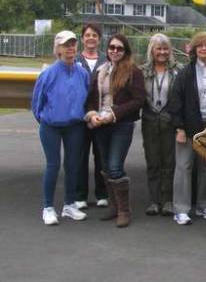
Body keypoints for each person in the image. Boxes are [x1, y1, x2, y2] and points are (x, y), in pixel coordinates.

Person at [85, 33, 145, 228]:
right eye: (112, 47)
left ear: (125, 51)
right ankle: (113, 206)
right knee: (104, 166)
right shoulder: (101, 70)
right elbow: (92, 99)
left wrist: (114, 113)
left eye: (119, 48)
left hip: (121, 124)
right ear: (107, 49)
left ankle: (124, 211)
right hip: (101, 125)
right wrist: (92, 114)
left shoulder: (133, 72)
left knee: (115, 166)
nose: (115, 51)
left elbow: (138, 101)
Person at [32, 30, 90, 225]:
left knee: (73, 166)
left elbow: (87, 99)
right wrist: (47, 119)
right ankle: (48, 207)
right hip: (51, 127)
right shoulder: (48, 73)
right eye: (66, 45)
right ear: (58, 49)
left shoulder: (82, 73)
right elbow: (37, 104)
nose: (70, 48)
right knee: (53, 165)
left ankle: (69, 205)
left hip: (75, 126)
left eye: (73, 44)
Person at [168, 32, 206, 225]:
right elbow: (175, 100)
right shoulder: (186, 72)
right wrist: (179, 128)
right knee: (184, 166)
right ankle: (181, 209)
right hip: (188, 126)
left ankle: (204, 205)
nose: (204, 49)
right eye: (200, 46)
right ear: (195, 50)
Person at [140, 33, 183, 217]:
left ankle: (167, 200)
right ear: (152, 50)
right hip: (149, 120)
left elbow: (182, 97)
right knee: (152, 161)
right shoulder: (142, 71)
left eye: (166, 48)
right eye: (159, 48)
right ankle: (153, 200)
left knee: (169, 161)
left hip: (169, 121)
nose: (162, 52)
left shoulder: (178, 70)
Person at [75, 23, 108, 210]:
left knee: (101, 156)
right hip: (80, 117)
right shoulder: (75, 59)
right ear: (82, 39)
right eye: (87, 35)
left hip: (101, 116)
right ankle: (80, 195)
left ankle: (102, 194)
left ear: (99, 39)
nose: (90, 38)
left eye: (94, 35)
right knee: (80, 157)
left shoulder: (106, 59)